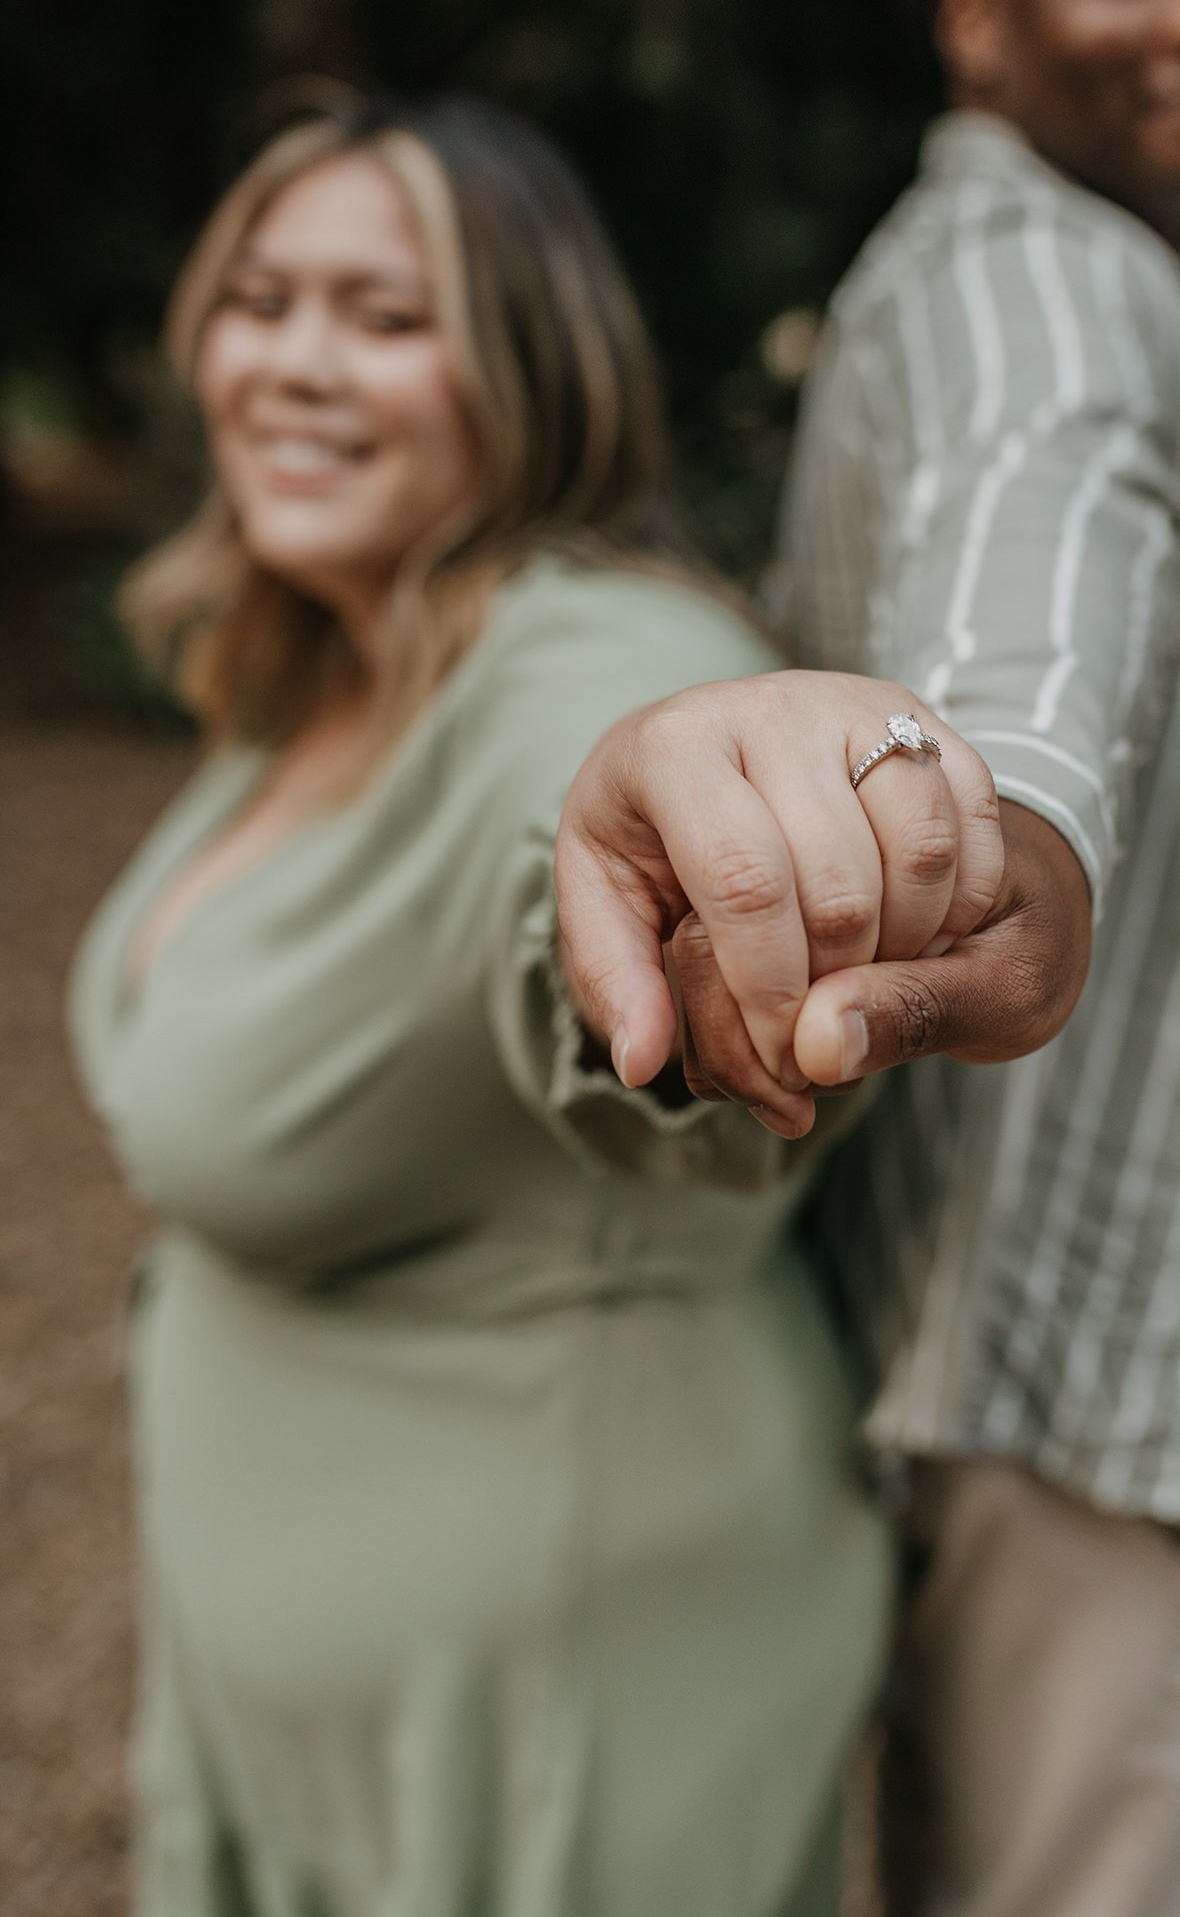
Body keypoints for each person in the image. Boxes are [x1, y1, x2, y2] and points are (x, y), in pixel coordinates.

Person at [555, 0, 1180, 1912]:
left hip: (982, 1361)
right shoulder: (1041, 282)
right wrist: (999, 812)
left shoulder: (1036, 273)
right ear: (977, 30)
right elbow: (1048, 533)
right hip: (1110, 1406)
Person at [67, 96, 905, 1917]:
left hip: (559, 1698)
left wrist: (691, 914)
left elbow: (610, 892)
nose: (294, 362)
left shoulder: (604, 654)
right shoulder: (332, 663)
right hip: (305, 1690)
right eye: (261, 296)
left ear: (538, 368)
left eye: (384, 316)